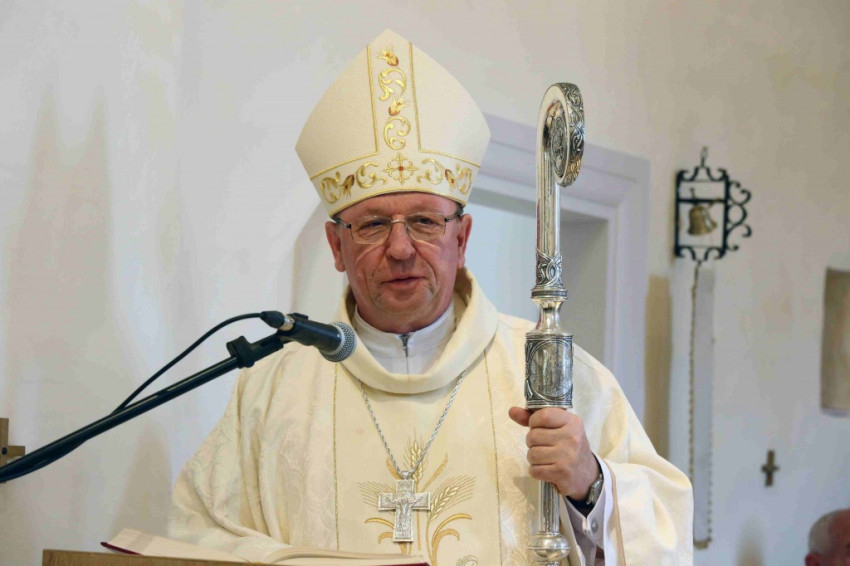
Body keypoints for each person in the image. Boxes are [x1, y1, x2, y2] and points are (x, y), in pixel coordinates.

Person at [168, 29, 693, 565]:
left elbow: (667, 535)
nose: (400, 249)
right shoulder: (272, 390)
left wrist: (589, 481)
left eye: (424, 222)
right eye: (372, 225)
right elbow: (196, 538)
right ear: (336, 246)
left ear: (461, 240)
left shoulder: (552, 375)